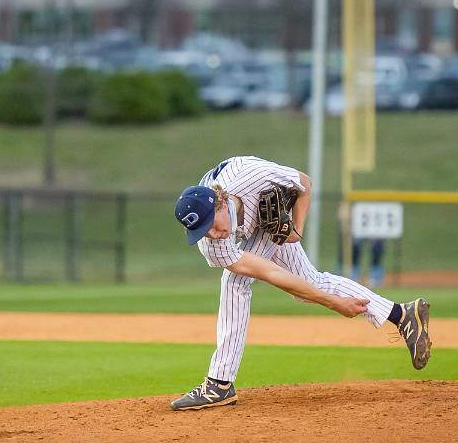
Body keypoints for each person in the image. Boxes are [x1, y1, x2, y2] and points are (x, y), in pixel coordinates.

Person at [170, 156, 431, 411]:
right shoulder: (211, 244)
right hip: (262, 223)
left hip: (265, 209)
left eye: (211, 225)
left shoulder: (252, 176)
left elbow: (304, 183)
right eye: (203, 231)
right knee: (302, 285)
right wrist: (332, 302)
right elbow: (271, 273)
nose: (212, 234)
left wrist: (297, 229)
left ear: (220, 203)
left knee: (236, 282)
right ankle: (401, 314)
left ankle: (219, 383)